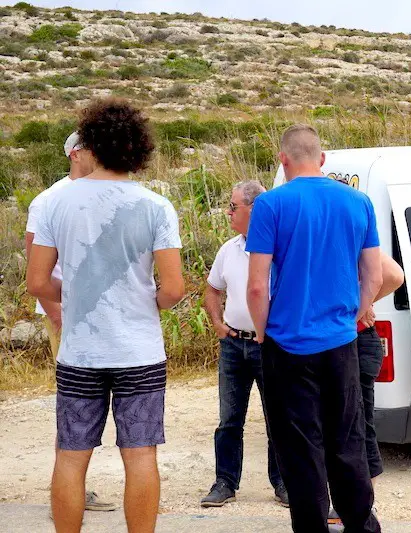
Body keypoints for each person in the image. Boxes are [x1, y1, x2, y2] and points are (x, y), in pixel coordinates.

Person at [26, 98, 185, 533]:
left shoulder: (55, 203)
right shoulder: (156, 207)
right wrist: (143, 303)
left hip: (80, 351)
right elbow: (173, 288)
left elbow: (38, 282)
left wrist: (77, 295)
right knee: (140, 455)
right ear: (137, 148)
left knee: (71, 456)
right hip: (138, 350)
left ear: (90, 143)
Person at [246, 124, 382, 533]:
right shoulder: (358, 202)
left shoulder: (270, 205)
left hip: (287, 346)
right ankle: (361, 526)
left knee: (300, 449)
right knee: (348, 441)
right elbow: (373, 277)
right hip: (341, 342)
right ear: (322, 159)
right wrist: (354, 316)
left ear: (283, 159)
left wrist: (261, 331)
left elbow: (256, 286)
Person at [24, 131, 117, 514]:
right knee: (74, 405)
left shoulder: (100, 193)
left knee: (88, 405)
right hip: (65, 311)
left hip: (97, 314)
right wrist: (56, 310)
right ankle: (65, 493)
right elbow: (35, 263)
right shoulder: (50, 199)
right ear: (77, 154)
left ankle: (71, 489)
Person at [201, 180, 288, 508]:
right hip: (234, 345)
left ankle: (282, 482)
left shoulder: (281, 247)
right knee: (229, 418)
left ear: (254, 209)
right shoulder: (229, 249)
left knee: (277, 417)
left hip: (271, 345)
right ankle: (225, 482)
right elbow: (212, 290)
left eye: (233, 206)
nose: (228, 212)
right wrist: (217, 323)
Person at [327, 175, 405, 527]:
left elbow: (394, 275)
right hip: (348, 341)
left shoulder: (356, 238)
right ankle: (350, 503)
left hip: (359, 340)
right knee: (343, 424)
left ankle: (363, 505)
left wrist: (362, 303)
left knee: (359, 425)